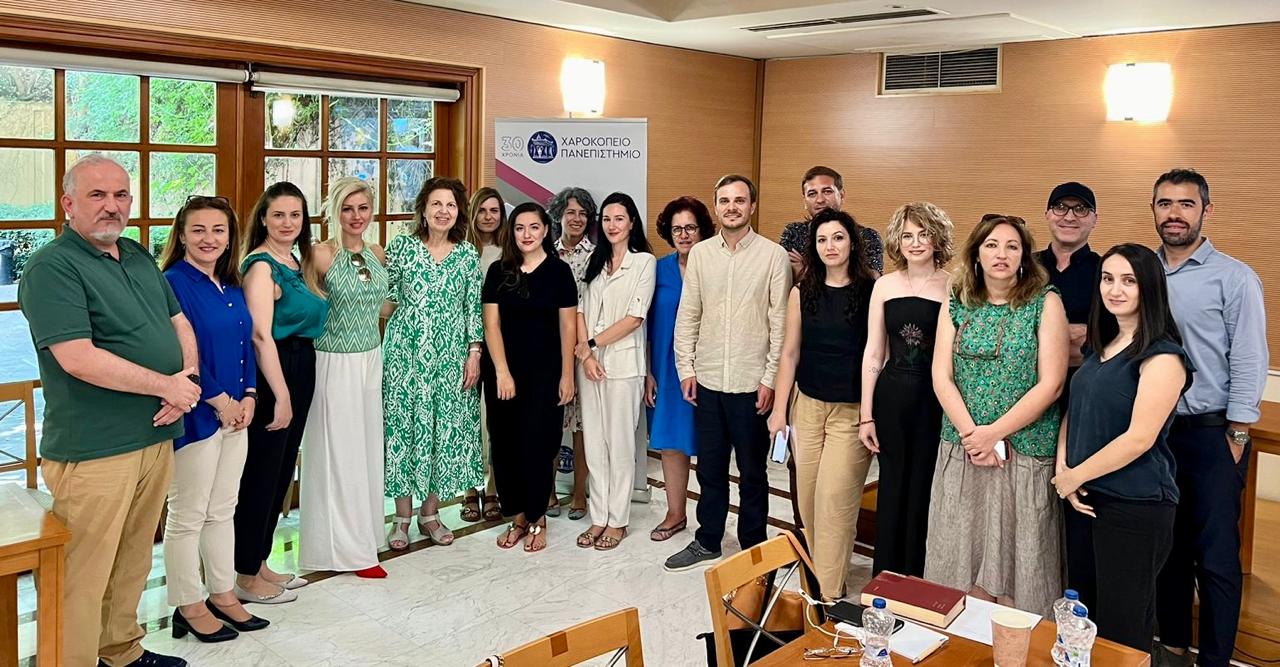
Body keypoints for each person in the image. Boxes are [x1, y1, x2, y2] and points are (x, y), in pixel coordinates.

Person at [18, 154, 197, 667]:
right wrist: (166, 385)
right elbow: (78, 358)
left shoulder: (135, 254)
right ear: (68, 203)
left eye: (120, 195)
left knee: (133, 559)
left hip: (154, 436)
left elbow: (178, 322)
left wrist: (185, 382)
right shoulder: (52, 267)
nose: (111, 206)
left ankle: (120, 652)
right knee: (83, 574)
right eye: (97, 195)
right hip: (96, 447)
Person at [924, 214, 1069, 616]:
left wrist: (994, 434)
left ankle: (1018, 643)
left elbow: (1052, 384)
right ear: (976, 253)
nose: (1001, 254)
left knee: (1022, 563)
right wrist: (974, 436)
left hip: (1024, 450)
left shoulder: (1045, 301)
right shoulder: (957, 300)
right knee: (960, 555)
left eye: (1011, 246)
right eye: (991, 245)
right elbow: (941, 376)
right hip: (964, 448)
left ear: (1024, 255)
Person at [1152, 169, 1268, 667]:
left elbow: (1249, 356)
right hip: (1154, 433)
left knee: (1217, 557)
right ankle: (1174, 645)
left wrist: (1238, 432)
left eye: (1186, 204)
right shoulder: (1143, 271)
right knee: (1168, 547)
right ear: (1154, 210)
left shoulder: (1234, 277)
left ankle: (1216, 659)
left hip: (1211, 433)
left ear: (1205, 211)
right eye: (1165, 204)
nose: (1174, 214)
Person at [1053, 243, 1192, 652]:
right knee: (1082, 619)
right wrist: (1064, 470)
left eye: (1128, 281)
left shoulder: (1163, 356)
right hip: (1084, 498)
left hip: (1135, 504)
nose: (1115, 290)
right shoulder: (1101, 346)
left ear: (1149, 287)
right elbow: (1074, 410)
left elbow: (1139, 438)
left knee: (1122, 630)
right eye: (1108, 279)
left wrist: (1076, 475)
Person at [664, 174, 791, 572]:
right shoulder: (701, 254)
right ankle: (708, 540)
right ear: (716, 207)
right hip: (708, 381)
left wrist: (770, 379)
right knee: (710, 468)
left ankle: (753, 545)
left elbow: (780, 324)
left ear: (752, 206)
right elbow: (689, 315)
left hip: (752, 384)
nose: (732, 207)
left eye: (739, 200)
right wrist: (686, 369)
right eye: (724, 201)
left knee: (753, 472)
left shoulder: (773, 256)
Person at [159, 195, 267, 643]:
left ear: (229, 237)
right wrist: (221, 400)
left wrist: (250, 395)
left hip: (237, 415)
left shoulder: (231, 283)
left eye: (218, 230)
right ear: (182, 235)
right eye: (199, 230)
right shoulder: (172, 283)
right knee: (188, 514)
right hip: (197, 417)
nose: (209, 238)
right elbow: (180, 353)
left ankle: (222, 594)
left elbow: (246, 345)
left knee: (223, 509)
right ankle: (188, 604)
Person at [767, 209, 875, 599]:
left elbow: (876, 355)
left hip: (851, 411)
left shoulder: (871, 290)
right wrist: (779, 411)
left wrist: (870, 414)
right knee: (809, 502)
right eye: (822, 240)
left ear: (853, 243)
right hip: (808, 406)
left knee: (835, 501)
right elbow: (789, 354)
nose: (830, 246)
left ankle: (826, 597)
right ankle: (822, 577)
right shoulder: (802, 291)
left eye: (838, 238)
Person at [237, 182, 328, 602]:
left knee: (280, 470)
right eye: (278, 215)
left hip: (301, 362)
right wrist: (282, 394)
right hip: (275, 371)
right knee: (261, 473)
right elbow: (260, 336)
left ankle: (260, 561)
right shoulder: (261, 266)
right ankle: (245, 574)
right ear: (263, 219)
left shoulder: (295, 261)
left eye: (295, 215)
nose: (287, 222)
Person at [383, 176, 484, 550]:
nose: (444, 211)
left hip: (451, 356)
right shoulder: (402, 248)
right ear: (423, 210)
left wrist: (474, 353)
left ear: (459, 213)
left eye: (451, 205)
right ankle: (401, 517)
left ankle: (430, 514)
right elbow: (386, 299)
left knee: (442, 431)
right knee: (404, 430)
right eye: (436, 204)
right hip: (405, 355)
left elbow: (473, 308)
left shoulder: (467, 255)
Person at [300, 177, 390, 577]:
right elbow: (305, 309)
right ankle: (344, 551)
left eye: (363, 208)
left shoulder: (377, 252)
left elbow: (380, 306)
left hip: (371, 358)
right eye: (347, 209)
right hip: (333, 362)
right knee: (339, 455)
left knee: (366, 451)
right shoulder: (320, 254)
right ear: (334, 211)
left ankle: (365, 537)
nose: (356, 216)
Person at [859, 201, 954, 577]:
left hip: (934, 400)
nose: (915, 243)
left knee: (924, 489)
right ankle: (884, 577)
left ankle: (917, 578)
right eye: (907, 235)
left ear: (937, 238)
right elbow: (874, 351)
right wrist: (866, 414)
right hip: (891, 397)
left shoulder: (953, 285)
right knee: (892, 486)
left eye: (923, 234)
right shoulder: (884, 285)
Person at [483, 202, 578, 552]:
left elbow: (568, 327)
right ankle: (518, 517)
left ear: (546, 230)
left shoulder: (559, 272)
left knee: (539, 445)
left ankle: (538, 518)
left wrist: (567, 375)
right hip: (503, 374)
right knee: (505, 446)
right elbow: (491, 325)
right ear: (511, 232)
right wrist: (502, 372)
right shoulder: (498, 271)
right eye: (520, 227)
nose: (527, 234)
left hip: (545, 374)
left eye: (534, 227)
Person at [574, 192, 656, 551]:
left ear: (632, 222)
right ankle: (599, 516)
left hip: (623, 366)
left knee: (620, 444)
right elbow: (579, 310)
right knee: (594, 442)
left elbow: (635, 318)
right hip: (589, 366)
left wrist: (591, 345)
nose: (612, 225)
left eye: (619, 218)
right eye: (606, 219)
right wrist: (586, 355)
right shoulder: (594, 261)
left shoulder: (644, 262)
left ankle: (617, 520)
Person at [645, 197, 715, 542]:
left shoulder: (716, 267)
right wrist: (648, 371)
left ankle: (711, 520)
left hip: (710, 370)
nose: (684, 235)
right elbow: (643, 324)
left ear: (702, 230)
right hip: (666, 369)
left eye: (690, 228)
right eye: (677, 229)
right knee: (672, 444)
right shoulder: (657, 270)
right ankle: (675, 513)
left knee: (710, 445)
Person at [548, 186, 598, 519]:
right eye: (570, 212)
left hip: (585, 349)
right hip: (549, 348)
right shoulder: (545, 253)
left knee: (582, 426)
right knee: (550, 422)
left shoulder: (597, 255)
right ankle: (549, 491)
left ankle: (580, 493)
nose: (577, 219)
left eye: (583, 213)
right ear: (559, 216)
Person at [461, 186, 507, 524]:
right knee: (466, 418)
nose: (488, 217)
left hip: (497, 342)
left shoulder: (509, 252)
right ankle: (468, 490)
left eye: (495, 211)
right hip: (462, 343)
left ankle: (493, 489)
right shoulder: (463, 251)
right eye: (483, 210)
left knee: (495, 419)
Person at [1037, 182, 1101, 407]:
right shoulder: (1024, 267)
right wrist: (1065, 335)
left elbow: (1118, 336)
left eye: (1081, 209)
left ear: (1094, 219)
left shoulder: (1107, 271)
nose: (1070, 217)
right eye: (1060, 207)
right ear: (1047, 214)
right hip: (1024, 387)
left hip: (1086, 391)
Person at [778, 165, 884, 277]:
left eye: (827, 192)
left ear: (841, 195)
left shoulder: (867, 236)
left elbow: (872, 280)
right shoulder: (794, 233)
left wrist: (805, 271)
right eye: (812, 194)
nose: (820, 200)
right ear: (805, 201)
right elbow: (784, 276)